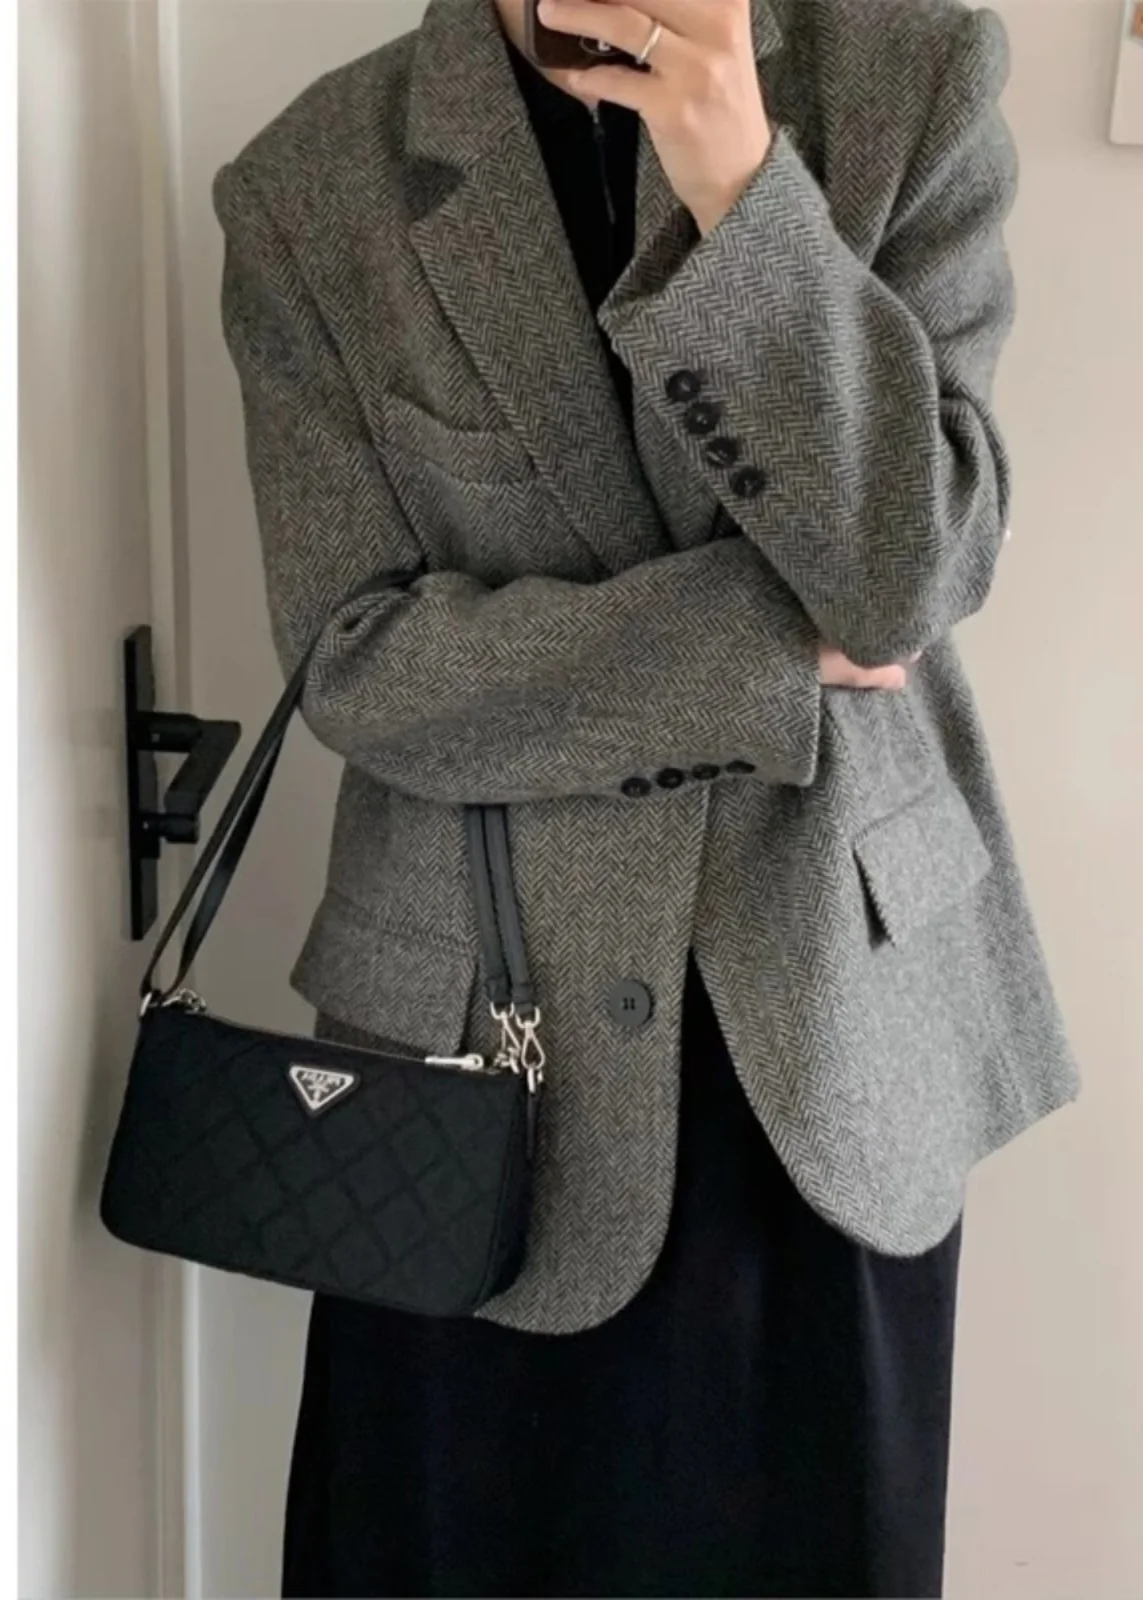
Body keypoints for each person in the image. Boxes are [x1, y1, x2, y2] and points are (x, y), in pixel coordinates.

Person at [212, 0, 1079, 1593]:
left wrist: (744, 193)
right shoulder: (313, 184)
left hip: (827, 1029)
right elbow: (359, 659)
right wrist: (763, 649)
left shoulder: (910, 77)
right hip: (479, 1054)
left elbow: (909, 570)